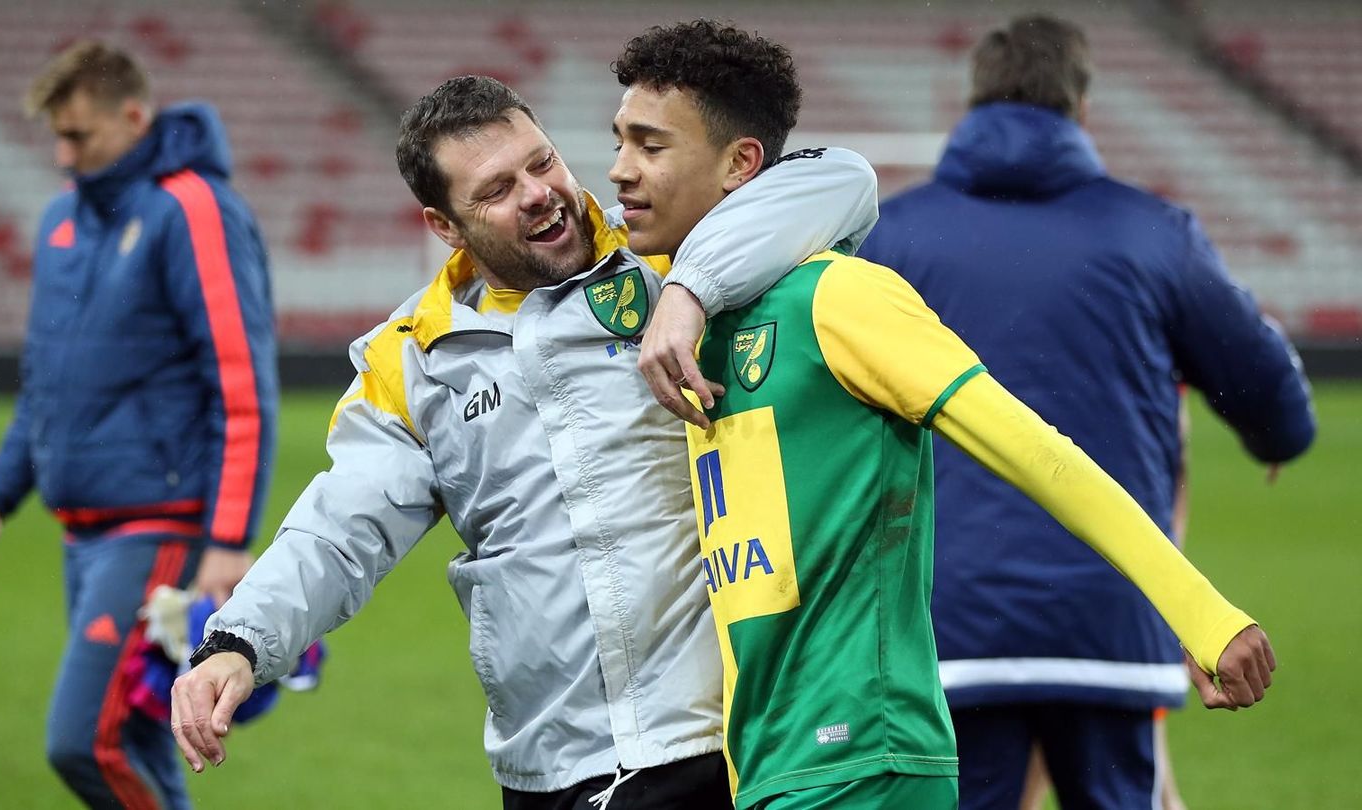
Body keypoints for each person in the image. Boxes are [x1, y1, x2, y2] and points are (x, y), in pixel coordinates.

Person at [612, 19, 1281, 810]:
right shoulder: (688, 322)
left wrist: (1201, 613)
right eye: (620, 141)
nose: (621, 170)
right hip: (773, 760)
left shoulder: (841, 298)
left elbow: (1038, 451)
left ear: (741, 163)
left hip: (865, 755)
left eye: (650, 147)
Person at [170, 74, 879, 809]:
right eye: (496, 190)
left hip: (713, 736)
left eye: (542, 163)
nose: (539, 193)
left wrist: (691, 292)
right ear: (444, 226)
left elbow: (842, 180)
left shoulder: (667, 255)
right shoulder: (413, 358)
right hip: (549, 760)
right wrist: (239, 642)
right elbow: (341, 530)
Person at [855, 15, 1315, 809]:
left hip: (946, 626)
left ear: (972, 102)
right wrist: (1276, 431)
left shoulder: (887, 235)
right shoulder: (1152, 232)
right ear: (1083, 106)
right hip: (1111, 623)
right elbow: (1266, 387)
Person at [0, 41, 277, 809]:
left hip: (159, 528)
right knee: (140, 750)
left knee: (84, 742)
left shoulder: (194, 208)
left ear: (133, 117)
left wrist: (229, 538)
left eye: (80, 136)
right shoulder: (64, 220)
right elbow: (48, 387)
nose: (64, 157)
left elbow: (241, 379)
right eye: (56, 138)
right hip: (81, 535)